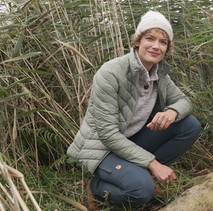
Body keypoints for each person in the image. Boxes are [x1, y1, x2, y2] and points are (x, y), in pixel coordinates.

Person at [67, 10, 201, 210]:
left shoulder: (159, 74)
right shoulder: (110, 73)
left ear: (167, 48)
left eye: (163, 42)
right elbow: (108, 134)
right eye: (150, 38)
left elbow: (184, 101)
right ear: (138, 41)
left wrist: (172, 111)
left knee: (189, 125)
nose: (156, 46)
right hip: (102, 148)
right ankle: (96, 187)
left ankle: (140, 174)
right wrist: (154, 164)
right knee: (141, 192)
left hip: (131, 140)